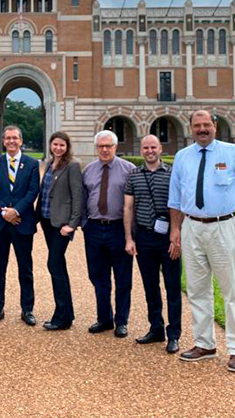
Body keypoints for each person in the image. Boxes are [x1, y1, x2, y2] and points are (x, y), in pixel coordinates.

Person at [168, 110, 235, 373]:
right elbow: (175, 198)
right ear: (191, 128)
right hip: (192, 227)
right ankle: (204, 344)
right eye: (197, 125)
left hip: (223, 226)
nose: (202, 129)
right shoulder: (183, 157)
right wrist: (175, 229)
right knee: (197, 290)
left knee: (232, 291)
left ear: (215, 126)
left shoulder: (232, 152)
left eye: (206, 125)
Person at [123, 135, 181, 353]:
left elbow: (180, 205)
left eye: (153, 147)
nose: (149, 151)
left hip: (168, 238)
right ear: (141, 150)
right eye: (146, 147)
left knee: (173, 287)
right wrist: (129, 237)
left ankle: (174, 334)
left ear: (160, 149)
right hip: (145, 237)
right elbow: (128, 207)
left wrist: (177, 235)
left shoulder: (173, 173)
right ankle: (156, 328)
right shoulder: (134, 175)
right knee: (150, 286)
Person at [82, 130, 136, 337]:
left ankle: (121, 321)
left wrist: (131, 233)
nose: (104, 150)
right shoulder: (88, 170)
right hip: (94, 228)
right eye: (101, 146)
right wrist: (86, 224)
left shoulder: (129, 169)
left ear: (115, 147)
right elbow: (83, 198)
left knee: (123, 278)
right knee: (98, 277)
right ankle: (104, 318)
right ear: (97, 148)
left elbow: (135, 202)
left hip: (118, 229)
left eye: (108, 146)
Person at [0, 125, 40, 326]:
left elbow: (33, 192)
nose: (11, 141)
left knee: (25, 269)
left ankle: (27, 309)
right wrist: (4, 212)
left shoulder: (32, 164)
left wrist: (15, 211)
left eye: (15, 138)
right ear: (3, 141)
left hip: (22, 223)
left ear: (21, 141)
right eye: (8, 138)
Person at [36, 131, 82, 331]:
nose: (58, 148)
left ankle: (61, 316)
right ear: (50, 145)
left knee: (54, 264)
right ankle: (67, 314)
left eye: (62, 145)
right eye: (55, 144)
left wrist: (71, 225)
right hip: (48, 222)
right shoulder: (49, 164)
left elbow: (78, 197)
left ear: (67, 147)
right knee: (59, 266)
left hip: (62, 225)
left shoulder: (72, 166)